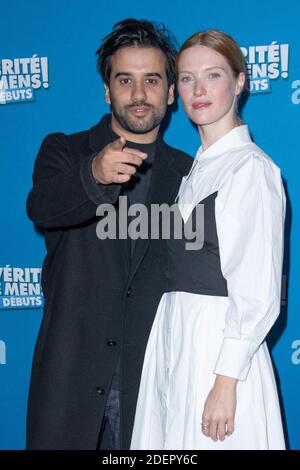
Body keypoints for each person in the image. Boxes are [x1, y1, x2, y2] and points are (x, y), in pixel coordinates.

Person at [25, 18, 192, 450]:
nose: (138, 95)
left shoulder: (190, 174)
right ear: (107, 90)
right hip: (70, 390)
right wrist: (94, 175)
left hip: (154, 390)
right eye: (125, 80)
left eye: (151, 80)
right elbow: (41, 206)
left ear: (171, 93)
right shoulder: (65, 151)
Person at [130, 29, 286, 450]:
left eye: (213, 76)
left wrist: (225, 382)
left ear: (239, 82)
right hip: (175, 341)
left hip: (217, 352)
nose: (198, 90)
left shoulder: (250, 170)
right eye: (186, 78)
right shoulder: (195, 172)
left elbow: (257, 290)